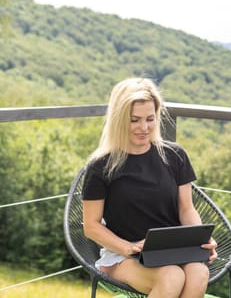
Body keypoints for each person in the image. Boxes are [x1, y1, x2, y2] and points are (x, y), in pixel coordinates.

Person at [82, 77, 217, 298]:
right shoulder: (101, 166)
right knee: (172, 276)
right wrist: (128, 247)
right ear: (118, 119)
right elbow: (91, 226)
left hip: (170, 250)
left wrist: (198, 240)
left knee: (198, 273)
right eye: (134, 120)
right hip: (123, 255)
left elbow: (186, 209)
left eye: (150, 119)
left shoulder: (175, 156)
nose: (143, 128)